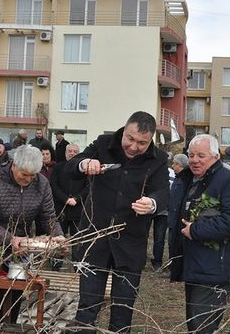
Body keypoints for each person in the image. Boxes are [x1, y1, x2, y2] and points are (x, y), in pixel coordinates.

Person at [65, 111, 170, 333]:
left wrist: (152, 203)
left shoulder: (158, 159)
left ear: (150, 140)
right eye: (130, 139)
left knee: (123, 311)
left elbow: (163, 192)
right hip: (95, 241)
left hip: (131, 245)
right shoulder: (104, 144)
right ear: (124, 129)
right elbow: (71, 166)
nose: (134, 147)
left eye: (142, 143)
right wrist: (84, 164)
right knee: (87, 308)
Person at [0, 144, 65, 324]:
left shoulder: (42, 183)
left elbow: (48, 216)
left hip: (21, 244)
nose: (28, 180)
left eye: (33, 175)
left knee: (15, 287)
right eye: (24, 174)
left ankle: (9, 324)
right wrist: (10, 238)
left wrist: (58, 236)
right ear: (14, 165)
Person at [169, 134, 230, 334]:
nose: (194, 160)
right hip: (193, 264)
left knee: (202, 327)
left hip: (215, 267)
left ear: (215, 157)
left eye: (201, 155)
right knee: (194, 323)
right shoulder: (186, 179)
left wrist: (195, 230)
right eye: (191, 155)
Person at [50, 143, 88, 261]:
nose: (72, 153)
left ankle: (77, 263)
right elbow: (53, 185)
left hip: (78, 209)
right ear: (65, 153)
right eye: (69, 151)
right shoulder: (58, 167)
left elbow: (88, 187)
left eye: (75, 151)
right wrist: (65, 199)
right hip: (61, 209)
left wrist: (76, 199)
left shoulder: (84, 169)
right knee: (59, 239)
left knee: (78, 239)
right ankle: (56, 262)